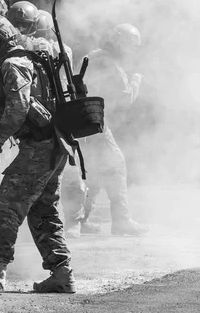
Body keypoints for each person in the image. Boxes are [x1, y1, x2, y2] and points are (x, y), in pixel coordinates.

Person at [0, 15, 76, 294]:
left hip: (39, 148)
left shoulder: (13, 64)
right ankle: (61, 272)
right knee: (42, 210)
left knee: (6, 207)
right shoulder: (32, 59)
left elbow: (18, 109)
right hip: (54, 143)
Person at [61, 23, 149, 238]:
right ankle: (121, 221)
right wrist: (137, 78)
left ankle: (80, 221)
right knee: (116, 166)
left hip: (82, 120)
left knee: (93, 173)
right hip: (95, 122)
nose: (131, 50)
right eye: (130, 45)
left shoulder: (93, 55)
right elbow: (126, 96)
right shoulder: (110, 64)